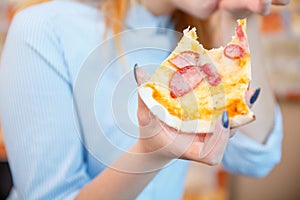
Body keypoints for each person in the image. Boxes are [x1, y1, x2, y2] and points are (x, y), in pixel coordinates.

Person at [0, 0, 289, 199]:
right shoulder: (42, 30)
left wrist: (240, 20)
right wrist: (151, 152)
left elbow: (256, 159)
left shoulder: (187, 40)